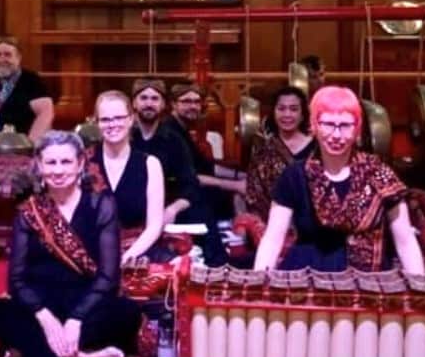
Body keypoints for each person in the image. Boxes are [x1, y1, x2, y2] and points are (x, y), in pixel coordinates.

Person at [0, 131, 141, 357]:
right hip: (41, 305)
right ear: (40, 166)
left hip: (87, 304)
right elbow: (17, 280)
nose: (58, 170)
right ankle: (84, 355)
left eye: (66, 162)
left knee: (127, 312)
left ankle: (36, 351)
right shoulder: (28, 212)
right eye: (50, 162)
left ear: (80, 164)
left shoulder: (102, 206)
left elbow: (108, 277)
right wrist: (45, 318)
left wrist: (76, 319)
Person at [252, 86, 425, 274]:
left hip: (368, 283)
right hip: (307, 278)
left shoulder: (378, 173)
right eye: (328, 124)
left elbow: (406, 241)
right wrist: (260, 285)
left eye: (344, 126)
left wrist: (420, 288)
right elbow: (273, 239)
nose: (336, 135)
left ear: (357, 129)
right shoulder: (295, 175)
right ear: (315, 126)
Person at [130, 78, 227, 266]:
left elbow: (190, 184)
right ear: (134, 103)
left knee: (202, 209)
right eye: (143, 98)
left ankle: (215, 270)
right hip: (132, 206)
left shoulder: (174, 140)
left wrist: (172, 209)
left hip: (168, 206)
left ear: (164, 104)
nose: (149, 103)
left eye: (155, 98)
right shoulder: (126, 137)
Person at [83, 91, 166, 263]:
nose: (112, 124)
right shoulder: (81, 162)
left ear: (131, 119)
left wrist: (126, 258)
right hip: (90, 251)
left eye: (119, 118)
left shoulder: (150, 164)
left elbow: (154, 226)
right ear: (96, 123)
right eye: (105, 119)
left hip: (138, 251)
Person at [166, 82, 245, 214]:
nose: (193, 106)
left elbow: (206, 166)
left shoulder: (182, 130)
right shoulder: (169, 133)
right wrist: (235, 185)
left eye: (197, 102)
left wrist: (240, 175)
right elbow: (189, 177)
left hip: (190, 192)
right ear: (173, 104)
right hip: (177, 199)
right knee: (233, 197)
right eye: (186, 101)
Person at [244, 85, 316, 219]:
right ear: (274, 113)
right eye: (281, 109)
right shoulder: (263, 152)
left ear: (302, 115)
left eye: (294, 109)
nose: (287, 114)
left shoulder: (317, 149)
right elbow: (254, 195)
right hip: (274, 222)